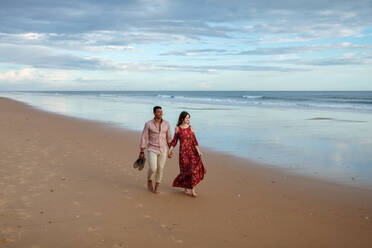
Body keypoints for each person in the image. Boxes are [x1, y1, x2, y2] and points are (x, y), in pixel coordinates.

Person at [168, 111, 206, 197]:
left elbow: (194, 140)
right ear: (182, 118)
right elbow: (174, 141)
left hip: (192, 152)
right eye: (186, 118)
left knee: (192, 170)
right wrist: (170, 150)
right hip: (183, 154)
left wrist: (198, 151)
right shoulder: (178, 128)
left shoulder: (191, 128)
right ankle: (185, 187)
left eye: (189, 118)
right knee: (185, 171)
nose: (188, 119)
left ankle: (192, 190)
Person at [139, 106, 172, 194]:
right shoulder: (148, 124)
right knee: (153, 168)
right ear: (154, 113)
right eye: (158, 112)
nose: (160, 113)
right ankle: (149, 179)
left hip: (163, 149)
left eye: (161, 112)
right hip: (152, 149)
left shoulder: (166, 124)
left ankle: (156, 187)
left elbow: (169, 138)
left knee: (160, 169)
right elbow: (144, 137)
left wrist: (170, 150)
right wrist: (142, 151)